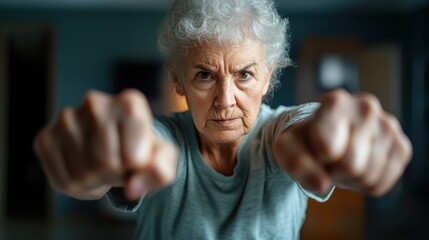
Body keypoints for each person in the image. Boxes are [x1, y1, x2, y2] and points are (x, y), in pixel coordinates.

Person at [34, 0, 412, 239]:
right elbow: (144, 141)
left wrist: (333, 136)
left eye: (244, 75)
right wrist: (98, 158)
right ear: (178, 79)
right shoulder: (163, 141)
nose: (225, 100)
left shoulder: (281, 135)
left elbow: (302, 126)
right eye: (204, 75)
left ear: (267, 76)